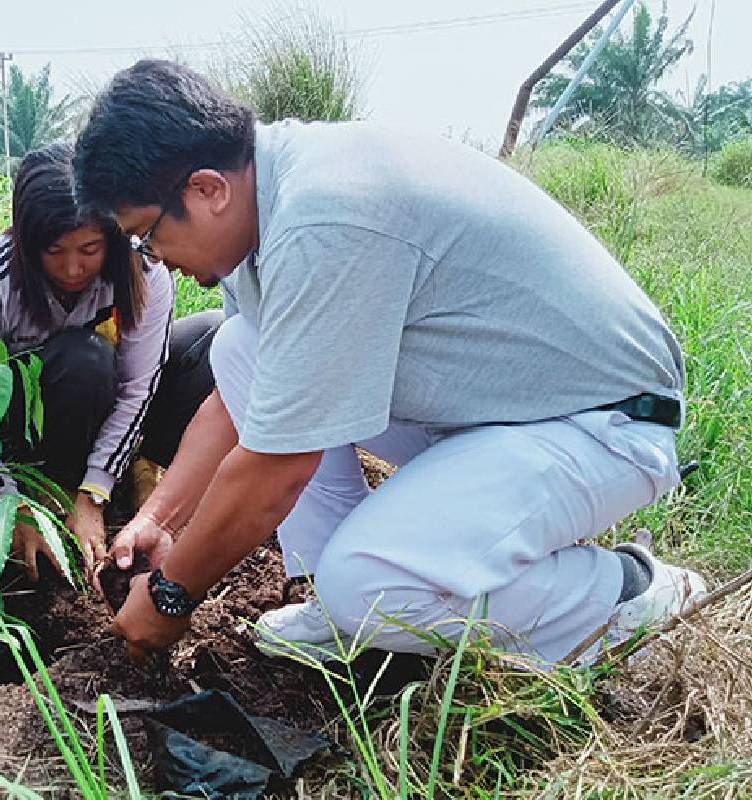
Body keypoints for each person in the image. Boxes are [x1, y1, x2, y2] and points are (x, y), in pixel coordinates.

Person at [71, 59, 707, 667]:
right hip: (495, 407)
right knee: (241, 350)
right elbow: (239, 406)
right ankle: (341, 603)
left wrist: (171, 596)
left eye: (148, 235)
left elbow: (276, 469)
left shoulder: (323, 215)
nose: (153, 257)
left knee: (370, 587)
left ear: (206, 189)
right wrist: (157, 521)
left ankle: (624, 595)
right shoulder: (261, 210)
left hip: (603, 424)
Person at [0, 141, 223, 583]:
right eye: (55, 252)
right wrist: (11, 502)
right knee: (83, 359)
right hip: (25, 432)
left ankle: (131, 469)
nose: (73, 268)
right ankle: (51, 490)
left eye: (89, 249)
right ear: (28, 243)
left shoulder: (143, 267)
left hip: (106, 414)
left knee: (213, 338)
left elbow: (137, 388)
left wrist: (94, 494)